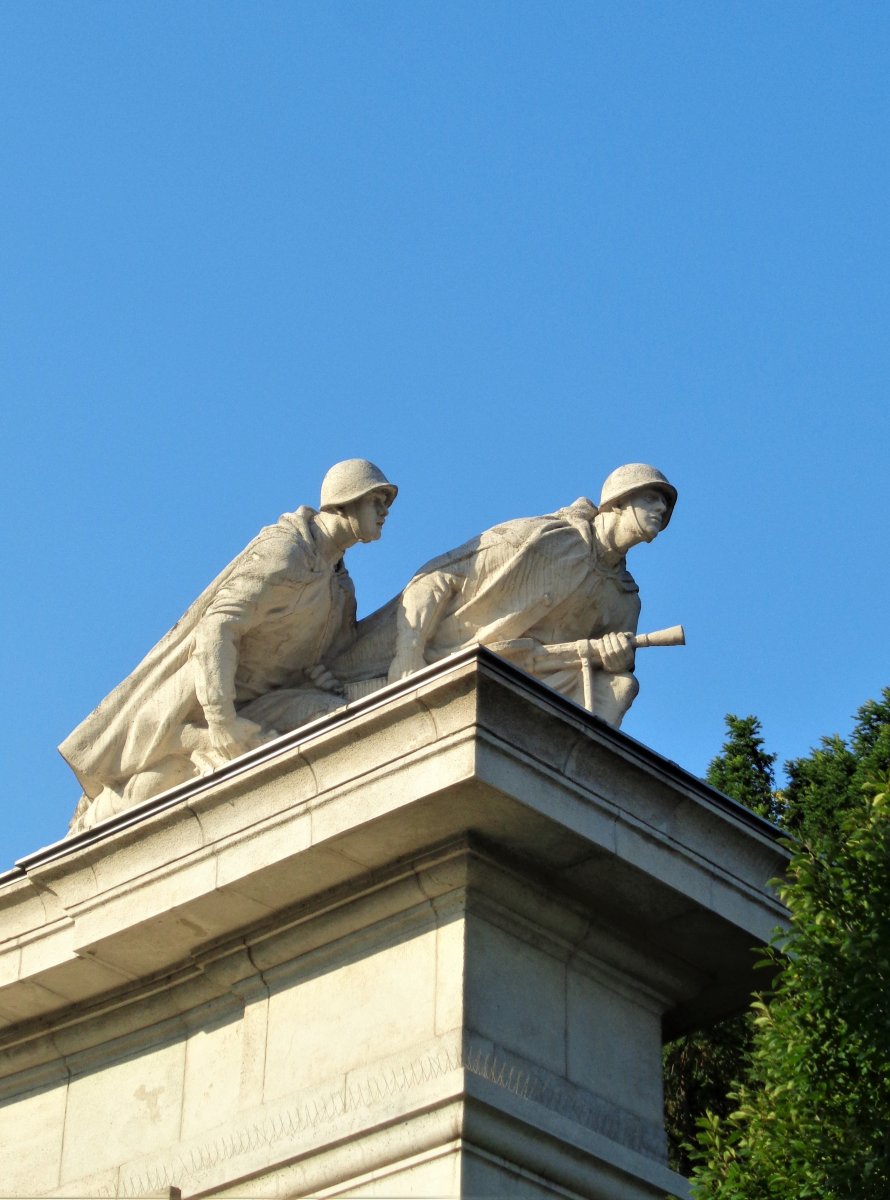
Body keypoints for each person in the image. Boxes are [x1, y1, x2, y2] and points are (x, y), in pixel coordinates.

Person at [61, 459, 398, 832]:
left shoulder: (340, 589)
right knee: (159, 784)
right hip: (198, 712)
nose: (384, 511)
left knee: (338, 718)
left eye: (386, 502)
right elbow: (217, 628)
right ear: (344, 500)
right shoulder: (289, 551)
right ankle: (93, 822)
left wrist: (318, 674)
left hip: (265, 706)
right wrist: (222, 721)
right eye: (376, 500)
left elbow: (326, 656)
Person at [333, 463, 676, 727]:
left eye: (664, 505)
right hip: (414, 654)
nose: (660, 510)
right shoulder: (544, 539)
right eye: (649, 498)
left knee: (621, 686)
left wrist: (614, 659)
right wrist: (408, 655)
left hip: (512, 692)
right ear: (617, 503)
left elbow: (615, 669)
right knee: (317, 688)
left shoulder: (624, 599)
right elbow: (438, 578)